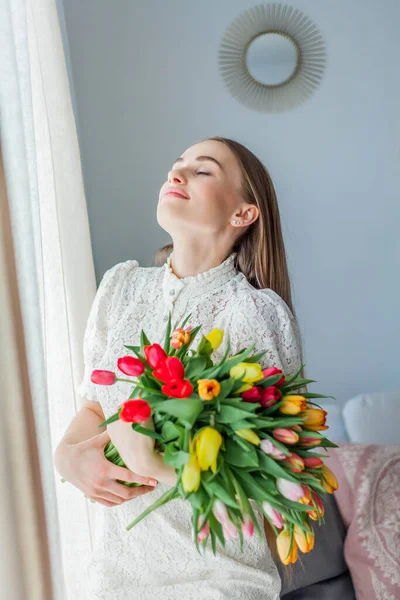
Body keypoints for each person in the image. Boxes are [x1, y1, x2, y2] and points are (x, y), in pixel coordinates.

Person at [54, 137, 305, 599]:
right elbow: (95, 405)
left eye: (203, 170)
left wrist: (148, 461)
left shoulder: (252, 313)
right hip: (118, 576)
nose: (177, 174)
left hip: (219, 580)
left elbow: (263, 476)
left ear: (243, 214)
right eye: (176, 166)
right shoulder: (121, 288)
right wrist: (67, 456)